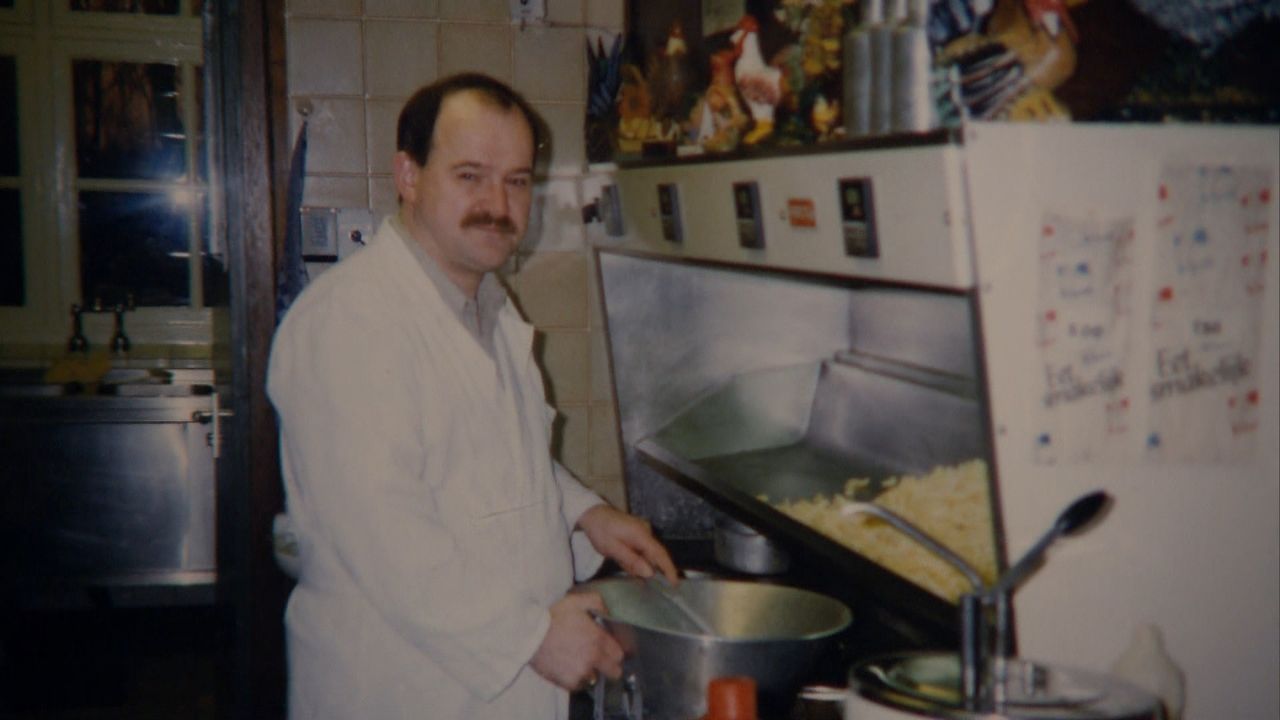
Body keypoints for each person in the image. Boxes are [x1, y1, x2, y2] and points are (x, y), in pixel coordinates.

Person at [267, 73, 678, 720]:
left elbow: (495, 455)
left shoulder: (487, 304)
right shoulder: (350, 323)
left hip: (486, 687)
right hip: (402, 688)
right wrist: (530, 637)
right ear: (409, 175)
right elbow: (386, 533)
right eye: (470, 176)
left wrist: (585, 513)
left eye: (517, 180)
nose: (499, 203)